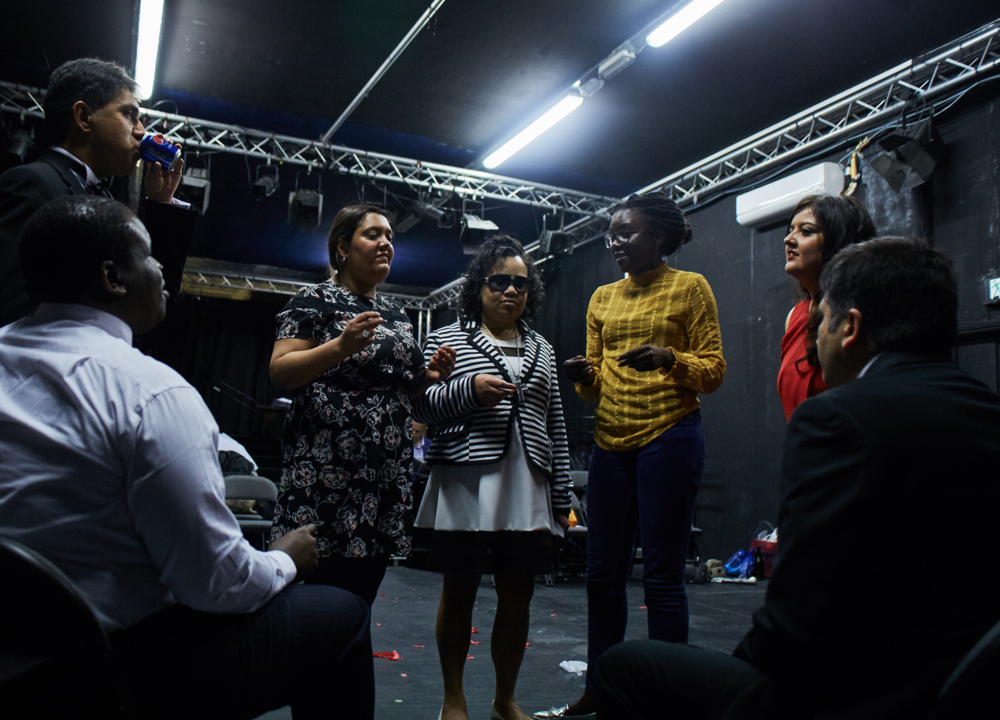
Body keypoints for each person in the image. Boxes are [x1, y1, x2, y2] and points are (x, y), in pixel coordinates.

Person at [0, 196, 374, 719]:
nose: (161, 270)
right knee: (343, 614)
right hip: (99, 673)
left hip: (12, 653)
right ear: (113, 277)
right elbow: (218, 585)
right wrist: (286, 556)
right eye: (150, 257)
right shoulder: (151, 392)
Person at [595, 237, 1000, 720]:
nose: (813, 338)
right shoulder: (986, 412)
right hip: (961, 685)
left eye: (819, 321)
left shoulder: (836, 418)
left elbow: (794, 621)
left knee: (624, 666)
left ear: (850, 328)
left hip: (850, 693)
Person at [545, 190, 726, 719]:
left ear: (660, 238)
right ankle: (602, 690)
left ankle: (666, 697)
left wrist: (670, 358)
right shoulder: (602, 297)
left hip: (669, 436)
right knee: (603, 576)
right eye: (612, 234)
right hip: (610, 441)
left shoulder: (690, 288)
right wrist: (585, 375)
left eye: (627, 233)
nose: (616, 242)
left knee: (663, 576)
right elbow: (596, 385)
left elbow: (713, 370)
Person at [412, 235, 573, 720]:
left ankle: (505, 700)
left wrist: (562, 492)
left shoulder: (542, 347)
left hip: (528, 486)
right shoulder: (446, 338)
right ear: (479, 286)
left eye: (520, 283)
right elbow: (420, 407)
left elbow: (555, 424)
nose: (511, 291)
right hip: (466, 483)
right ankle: (453, 699)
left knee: (518, 594)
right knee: (459, 590)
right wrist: (470, 392)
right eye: (500, 281)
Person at [268, 203, 455, 607]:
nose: (385, 242)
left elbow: (404, 391)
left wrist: (428, 377)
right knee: (315, 602)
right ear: (342, 248)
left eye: (389, 235)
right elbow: (281, 371)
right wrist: (339, 346)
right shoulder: (313, 300)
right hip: (325, 476)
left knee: (359, 599)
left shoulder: (397, 314)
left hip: (383, 478)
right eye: (373, 234)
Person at [0, 58, 197, 329]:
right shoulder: (34, 183)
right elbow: (9, 304)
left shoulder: (105, 199)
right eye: (130, 115)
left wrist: (161, 203)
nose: (141, 131)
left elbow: (151, 304)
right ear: (83, 117)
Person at [778, 193, 875, 420]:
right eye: (790, 229)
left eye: (806, 231)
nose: (789, 239)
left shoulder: (859, 314)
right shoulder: (794, 317)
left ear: (838, 242)